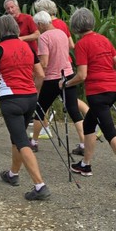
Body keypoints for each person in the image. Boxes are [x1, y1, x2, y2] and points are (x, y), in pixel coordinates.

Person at [0, 14, 50, 201]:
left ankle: (40, 185)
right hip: (30, 97)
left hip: (11, 99)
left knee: (22, 141)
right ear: (15, 28)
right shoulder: (27, 47)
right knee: (17, 137)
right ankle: (13, 174)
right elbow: (40, 74)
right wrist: (34, 91)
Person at [61, 7, 116, 189]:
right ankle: (85, 164)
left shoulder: (82, 44)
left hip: (98, 94)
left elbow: (82, 75)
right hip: (111, 90)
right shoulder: (104, 39)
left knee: (111, 134)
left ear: (75, 26)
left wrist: (66, 83)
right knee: (89, 125)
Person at [29, 11, 85, 152]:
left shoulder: (44, 37)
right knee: (74, 110)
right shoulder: (62, 33)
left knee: (40, 109)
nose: (37, 28)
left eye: (37, 25)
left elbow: (44, 63)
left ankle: (34, 142)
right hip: (68, 75)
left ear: (41, 24)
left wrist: (35, 74)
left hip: (52, 79)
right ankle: (84, 143)